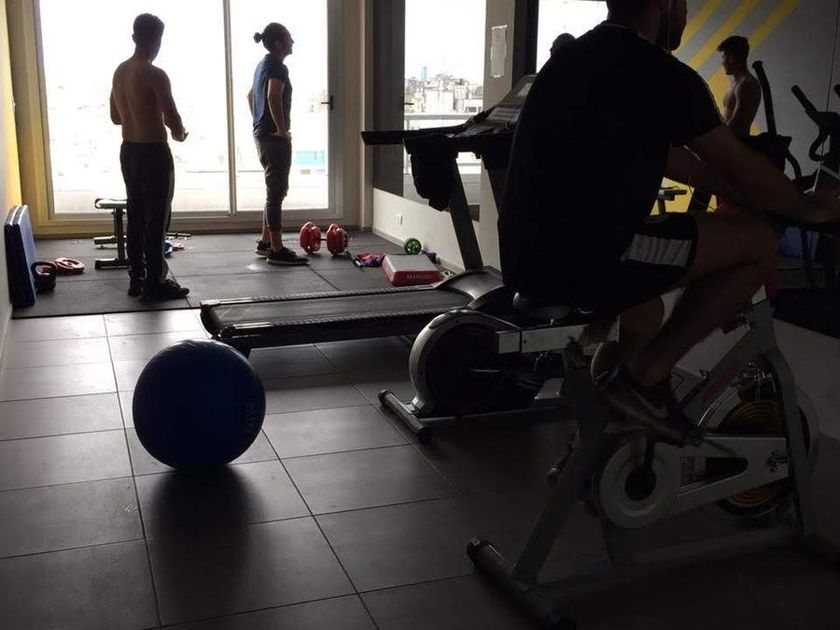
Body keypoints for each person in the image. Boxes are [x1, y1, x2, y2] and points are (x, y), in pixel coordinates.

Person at [499, 0, 840, 432]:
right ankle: (645, 381)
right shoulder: (658, 71)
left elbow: (682, 163)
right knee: (760, 242)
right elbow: (733, 161)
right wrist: (806, 207)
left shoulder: (572, 59)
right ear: (666, 4)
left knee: (643, 317)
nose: (685, 14)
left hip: (526, 256)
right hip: (591, 254)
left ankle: (601, 438)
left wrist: (749, 194)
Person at [110, 13, 189, 299]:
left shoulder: (120, 71)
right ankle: (155, 282)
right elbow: (171, 116)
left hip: (129, 150)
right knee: (157, 218)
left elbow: (115, 117)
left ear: (134, 37)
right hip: (153, 151)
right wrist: (180, 133)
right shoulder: (155, 74)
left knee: (136, 214)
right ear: (157, 40)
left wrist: (137, 114)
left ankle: (137, 278)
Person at [248, 23, 308, 266]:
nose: (293, 42)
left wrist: (259, 121)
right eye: (289, 38)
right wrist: (281, 130)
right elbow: (273, 96)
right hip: (273, 138)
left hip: (262, 135)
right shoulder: (278, 67)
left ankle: (265, 242)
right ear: (278, 43)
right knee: (276, 192)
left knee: (273, 190)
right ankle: (276, 249)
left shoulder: (262, 65)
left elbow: (250, 96)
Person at [718, 35, 761, 138]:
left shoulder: (746, 85)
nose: (721, 62)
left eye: (723, 57)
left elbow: (736, 124)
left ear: (731, 58)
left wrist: (714, 139)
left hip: (736, 143)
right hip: (729, 141)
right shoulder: (736, 84)